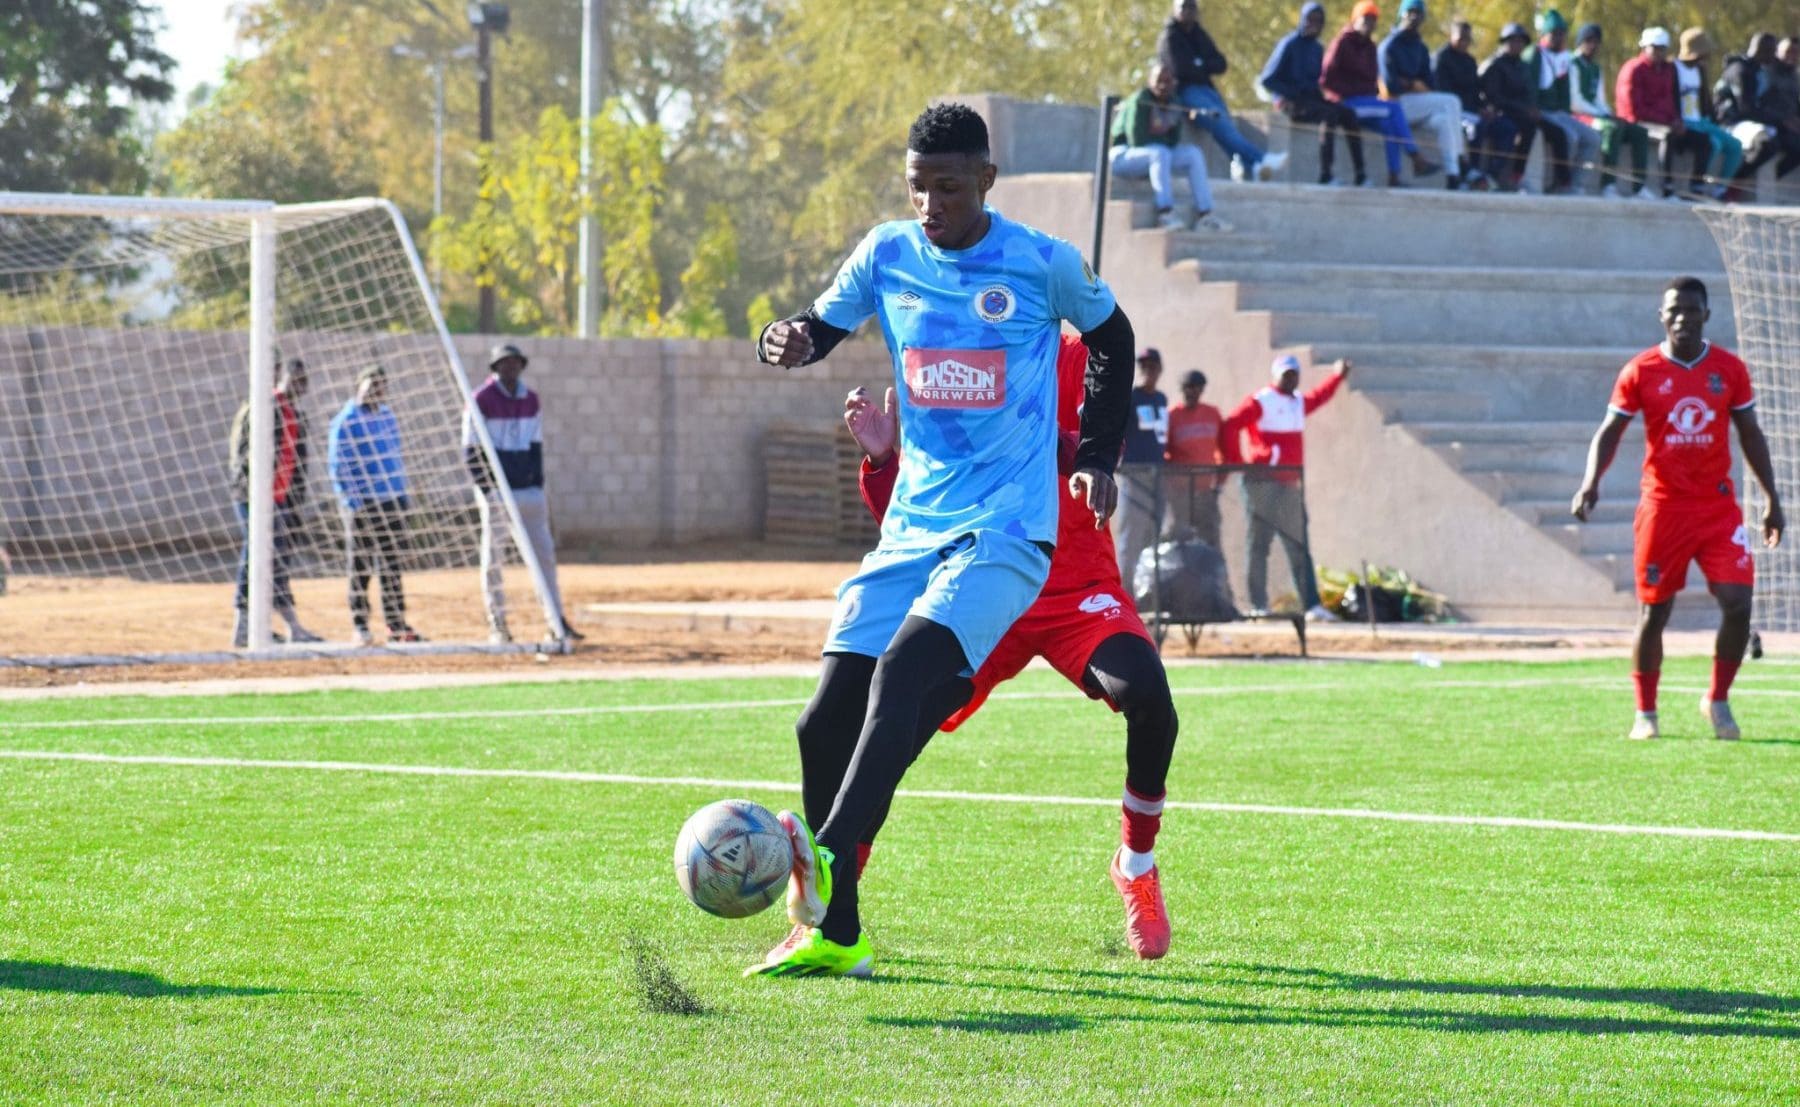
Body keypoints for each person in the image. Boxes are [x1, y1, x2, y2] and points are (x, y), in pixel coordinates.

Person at [748, 102, 1133, 979]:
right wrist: (789, 338)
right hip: (912, 525)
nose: (932, 205)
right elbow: (822, 325)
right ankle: (836, 930)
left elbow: (1112, 334)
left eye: (950, 188)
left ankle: (830, 850)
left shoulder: (1039, 262)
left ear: (987, 180)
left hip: (1005, 530)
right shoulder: (887, 251)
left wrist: (1097, 452)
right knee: (821, 723)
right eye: (919, 187)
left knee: (907, 672)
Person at [833, 333, 1179, 960]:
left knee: (1149, 695)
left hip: (1075, 586)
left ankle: (1135, 863)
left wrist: (1031, 442)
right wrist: (887, 463)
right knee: (899, 727)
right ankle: (834, 905)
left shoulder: (1078, 356)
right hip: (986, 585)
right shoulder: (953, 365)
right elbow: (918, 518)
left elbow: (1095, 446)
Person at [1572, 277, 1784, 742]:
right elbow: (1609, 431)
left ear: (1707, 315)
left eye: (1692, 309)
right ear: (1662, 316)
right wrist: (1591, 482)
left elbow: (1750, 433)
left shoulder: (1728, 370)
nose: (1683, 317)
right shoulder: (1640, 370)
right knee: (1655, 613)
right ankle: (1645, 713)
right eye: (1675, 310)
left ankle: (1718, 699)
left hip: (1717, 509)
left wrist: (1772, 498)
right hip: (1663, 509)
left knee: (1739, 604)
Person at [464, 342, 582, 645]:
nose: (511, 368)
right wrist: (489, 489)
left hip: (527, 491)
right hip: (497, 493)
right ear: (495, 368)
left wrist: (536, 484)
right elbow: (471, 450)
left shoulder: (531, 400)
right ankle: (498, 623)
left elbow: (536, 445)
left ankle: (555, 619)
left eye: (515, 362)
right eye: (504, 363)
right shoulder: (480, 399)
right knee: (494, 558)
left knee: (544, 555)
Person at [1221, 354, 1351, 621]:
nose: (1291, 379)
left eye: (1294, 374)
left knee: (1298, 544)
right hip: (1263, 484)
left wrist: (1338, 377)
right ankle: (1257, 603)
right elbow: (1230, 426)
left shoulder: (1298, 403)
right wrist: (1240, 463)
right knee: (1259, 544)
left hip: (1290, 484)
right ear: (1275, 375)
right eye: (1286, 374)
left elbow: (1319, 396)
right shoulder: (1261, 400)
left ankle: (1311, 604)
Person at [226, 356, 323, 648]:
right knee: (257, 552)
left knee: (276, 559)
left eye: (303, 381)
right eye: (293, 379)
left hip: (281, 501)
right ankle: (244, 625)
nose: (299, 386)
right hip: (253, 497)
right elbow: (243, 455)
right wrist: (256, 493)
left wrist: (294, 503)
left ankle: (282, 627)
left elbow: (297, 465)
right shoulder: (259, 407)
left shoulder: (296, 415)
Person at [327, 364, 420, 646]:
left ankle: (396, 624)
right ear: (359, 387)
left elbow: (394, 457)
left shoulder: (388, 417)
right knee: (361, 565)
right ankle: (360, 624)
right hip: (362, 504)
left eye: (381, 387)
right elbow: (338, 465)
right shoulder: (346, 420)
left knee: (392, 564)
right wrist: (351, 501)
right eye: (370, 386)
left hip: (391, 500)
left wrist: (401, 494)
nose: (376, 392)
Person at [1158, 0, 1289, 182]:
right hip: (1187, 92)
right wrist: (1202, 64)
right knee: (1221, 125)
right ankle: (1260, 159)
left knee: (1227, 128)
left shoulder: (1199, 34)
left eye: (1192, 7)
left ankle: (1250, 168)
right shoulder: (1170, 37)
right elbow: (1180, 70)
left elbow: (1220, 63)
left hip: (1208, 90)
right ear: (1175, 10)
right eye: (1183, 7)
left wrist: (1198, 64)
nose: (1188, 11)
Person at [1322, 1, 1442, 186]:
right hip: (1344, 103)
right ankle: (1416, 157)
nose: (1369, 24)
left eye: (1373, 20)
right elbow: (1326, 79)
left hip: (1365, 102)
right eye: (1365, 19)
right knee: (1394, 108)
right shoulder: (1342, 43)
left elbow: (1372, 81)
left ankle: (1394, 176)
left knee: (1389, 125)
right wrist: (1348, 93)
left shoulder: (1371, 47)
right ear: (1355, 19)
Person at [1110, 62, 1233, 231]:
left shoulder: (1174, 102)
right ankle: (1165, 213)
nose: (1163, 85)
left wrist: (1168, 123)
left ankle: (1205, 216)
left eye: (1168, 81)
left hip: (1157, 155)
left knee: (1193, 154)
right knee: (1160, 153)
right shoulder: (1141, 100)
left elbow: (1173, 140)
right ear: (1149, 81)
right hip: (1124, 156)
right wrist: (1163, 131)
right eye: (1159, 80)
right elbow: (1137, 140)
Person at [1261, 2, 1369, 186]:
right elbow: (1267, 79)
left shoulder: (1317, 48)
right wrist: (1292, 93)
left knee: (1348, 114)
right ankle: (1326, 175)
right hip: (1290, 101)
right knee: (1329, 115)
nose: (1314, 24)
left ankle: (1361, 175)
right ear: (1303, 20)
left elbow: (1316, 82)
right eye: (1311, 20)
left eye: (1319, 21)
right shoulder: (1289, 44)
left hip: (1310, 100)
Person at [1377, 0, 1467, 188]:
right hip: (1395, 107)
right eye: (1409, 11)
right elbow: (1391, 86)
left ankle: (1453, 176)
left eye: (1418, 13)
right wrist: (1414, 84)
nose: (1414, 16)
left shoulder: (1421, 48)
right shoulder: (1389, 46)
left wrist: (1411, 83)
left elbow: (1430, 84)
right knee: (1451, 101)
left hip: (1417, 106)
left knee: (1443, 120)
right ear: (1401, 14)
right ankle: (1462, 160)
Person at [1615, 27, 1712, 200]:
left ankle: (1696, 187)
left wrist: (1676, 119)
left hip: (1663, 121)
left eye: (1662, 49)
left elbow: (1669, 101)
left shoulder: (1666, 70)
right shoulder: (1634, 69)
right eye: (1655, 48)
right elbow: (1635, 110)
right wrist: (1667, 122)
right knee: (1667, 135)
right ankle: (1667, 187)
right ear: (1645, 47)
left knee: (1703, 141)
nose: (1659, 53)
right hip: (1638, 122)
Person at [1115, 348, 1176, 593]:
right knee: (1131, 537)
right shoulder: (1131, 398)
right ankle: (1125, 596)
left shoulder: (1161, 399)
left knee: (1153, 536)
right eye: (1143, 366)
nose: (1147, 371)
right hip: (1135, 474)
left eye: (1152, 366)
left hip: (1158, 475)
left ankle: (1147, 593)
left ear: (1160, 369)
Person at [1521, 9, 1601, 193]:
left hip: (1559, 113)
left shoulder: (1564, 57)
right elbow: (1530, 87)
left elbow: (1564, 93)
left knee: (1593, 138)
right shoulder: (1534, 54)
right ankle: (1558, 184)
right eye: (1554, 34)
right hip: (1541, 111)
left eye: (1562, 34)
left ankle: (1576, 185)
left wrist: (1567, 114)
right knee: (1568, 137)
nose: (1559, 38)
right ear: (1544, 35)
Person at [1570, 24, 1653, 198]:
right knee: (1611, 129)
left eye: (1596, 42)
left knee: (1638, 132)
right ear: (1580, 42)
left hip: (1597, 113)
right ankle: (1608, 184)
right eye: (1589, 41)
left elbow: (1600, 99)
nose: (1593, 46)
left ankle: (1639, 186)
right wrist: (1601, 115)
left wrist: (1609, 113)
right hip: (1580, 116)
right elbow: (1576, 101)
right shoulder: (1573, 64)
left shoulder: (1596, 68)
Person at [1482, 22, 1564, 192]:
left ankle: (1562, 182)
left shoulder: (1523, 66)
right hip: (1504, 112)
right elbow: (1494, 97)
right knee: (1527, 128)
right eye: (1513, 41)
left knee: (1557, 132)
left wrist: (1532, 108)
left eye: (1520, 42)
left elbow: (1529, 93)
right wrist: (1523, 109)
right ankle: (1513, 176)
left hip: (1524, 112)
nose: (1517, 45)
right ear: (1504, 42)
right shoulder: (1495, 65)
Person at [1434, 20, 1515, 189]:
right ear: (1452, 36)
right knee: (1476, 127)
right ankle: (1471, 174)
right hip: (1453, 112)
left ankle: (1492, 174)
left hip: (1473, 111)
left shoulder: (1470, 61)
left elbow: (1476, 90)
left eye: (1467, 39)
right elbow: (1443, 94)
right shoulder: (1442, 58)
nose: (1464, 42)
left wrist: (1485, 107)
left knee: (1507, 127)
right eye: (1461, 38)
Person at [1714, 34, 1800, 186]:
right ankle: (1733, 185)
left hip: (1752, 122)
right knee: (1766, 143)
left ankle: (1763, 183)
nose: (1775, 57)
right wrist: (1781, 121)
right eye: (1773, 51)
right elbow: (1745, 109)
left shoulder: (1757, 71)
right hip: (1731, 123)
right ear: (1763, 51)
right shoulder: (1740, 70)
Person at [1675, 30, 1742, 199]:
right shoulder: (1673, 68)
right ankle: (1696, 186)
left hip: (1701, 121)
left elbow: (1705, 101)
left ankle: (1720, 188)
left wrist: (1712, 120)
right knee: (1714, 144)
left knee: (1735, 146)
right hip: (1683, 121)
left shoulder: (1700, 71)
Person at [1165, 369, 1225, 550]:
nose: (1192, 392)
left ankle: (1214, 578)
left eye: (1196, 388)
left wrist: (1219, 483)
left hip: (1206, 492)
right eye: (1188, 388)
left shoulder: (1212, 413)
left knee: (1211, 538)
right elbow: (1164, 453)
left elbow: (1222, 449)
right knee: (1181, 540)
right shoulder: (1172, 416)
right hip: (1181, 494)